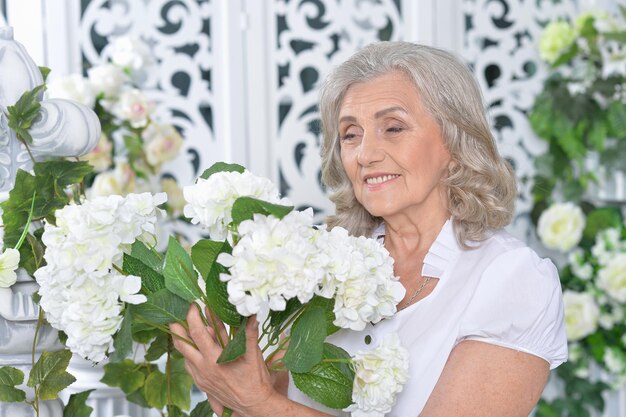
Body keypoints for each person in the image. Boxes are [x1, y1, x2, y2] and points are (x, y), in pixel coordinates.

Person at [171, 41, 568, 417]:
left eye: (393, 127)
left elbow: (264, 405)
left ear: (455, 142)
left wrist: (258, 402)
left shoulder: (511, 278)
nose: (366, 154)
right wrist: (225, 380)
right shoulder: (317, 269)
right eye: (350, 134)